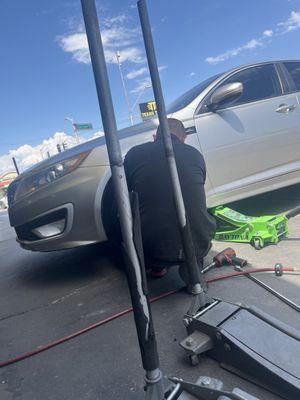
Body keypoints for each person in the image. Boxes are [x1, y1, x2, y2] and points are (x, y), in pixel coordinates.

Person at [123, 118, 216, 279]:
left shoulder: (134, 154)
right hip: (197, 244)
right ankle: (192, 272)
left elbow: (124, 193)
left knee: (128, 210)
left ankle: (157, 266)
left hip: (151, 249)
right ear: (184, 137)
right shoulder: (195, 154)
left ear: (155, 137)